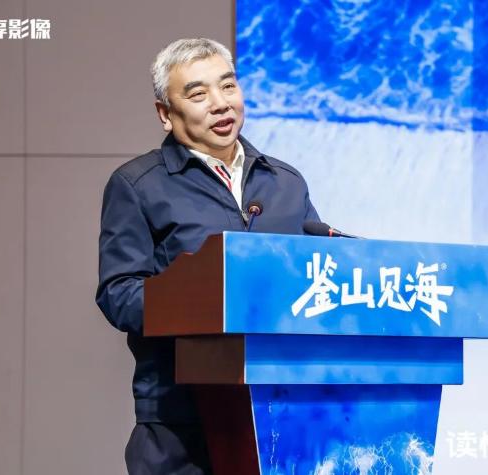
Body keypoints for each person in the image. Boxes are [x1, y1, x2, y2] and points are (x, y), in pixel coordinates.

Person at [95, 38, 320, 475]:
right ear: (165, 114)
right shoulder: (138, 185)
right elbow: (118, 294)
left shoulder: (286, 182)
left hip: (281, 412)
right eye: (198, 94)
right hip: (181, 418)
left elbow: (316, 274)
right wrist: (208, 303)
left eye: (228, 86)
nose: (220, 103)